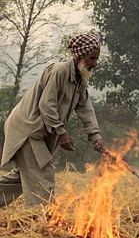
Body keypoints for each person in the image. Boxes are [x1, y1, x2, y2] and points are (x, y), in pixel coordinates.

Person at [0, 33, 105, 207]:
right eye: (91, 58)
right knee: (43, 172)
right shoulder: (59, 71)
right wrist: (61, 132)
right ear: (79, 56)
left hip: (37, 130)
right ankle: (40, 219)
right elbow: (46, 105)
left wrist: (96, 136)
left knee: (24, 177)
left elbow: (85, 108)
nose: (95, 63)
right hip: (28, 129)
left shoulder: (81, 78)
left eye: (96, 58)